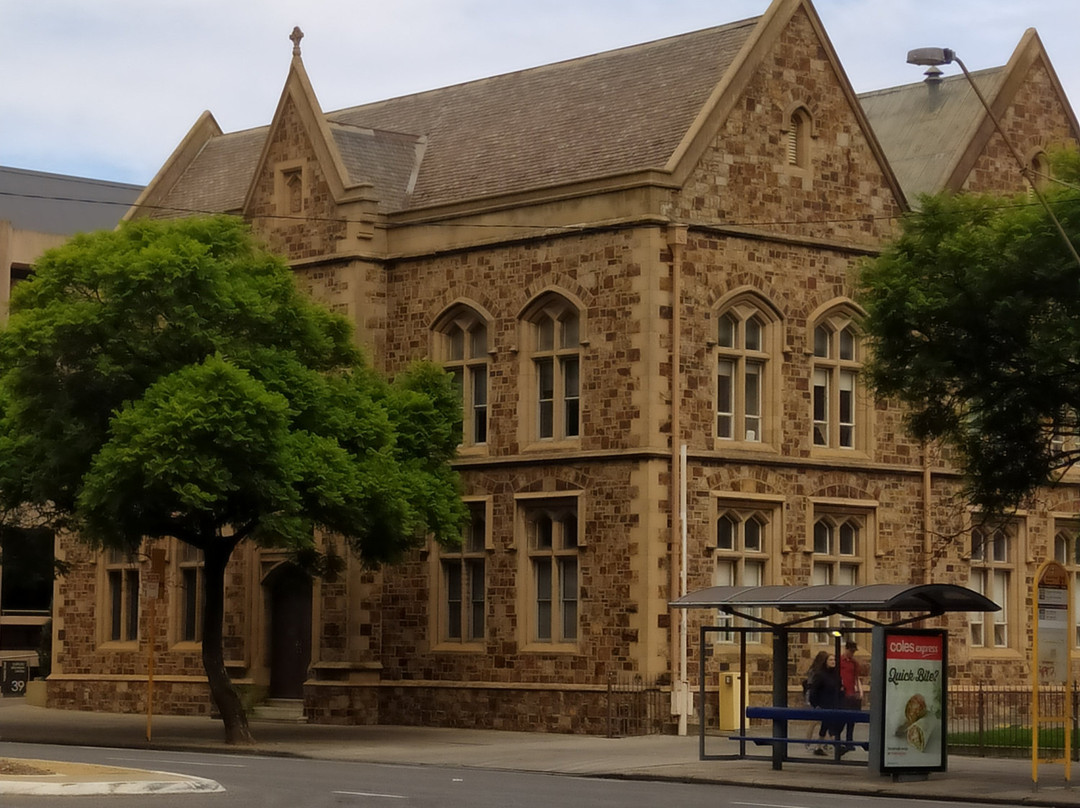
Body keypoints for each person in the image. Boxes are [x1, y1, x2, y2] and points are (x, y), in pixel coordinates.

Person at [805, 650, 843, 755]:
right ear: (825, 661)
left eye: (834, 659)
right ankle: (836, 745)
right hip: (823, 704)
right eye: (830, 659)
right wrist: (815, 704)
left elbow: (839, 688)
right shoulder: (820, 675)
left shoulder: (836, 675)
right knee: (829, 726)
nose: (833, 661)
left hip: (833, 704)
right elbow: (814, 690)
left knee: (825, 726)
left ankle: (819, 746)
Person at [838, 640, 863, 752]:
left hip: (852, 693)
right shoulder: (839, 660)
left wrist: (861, 691)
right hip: (843, 694)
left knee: (852, 720)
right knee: (842, 718)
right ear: (846, 649)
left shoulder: (854, 663)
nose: (852, 653)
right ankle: (837, 739)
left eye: (853, 651)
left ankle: (849, 741)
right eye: (851, 651)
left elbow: (857, 678)